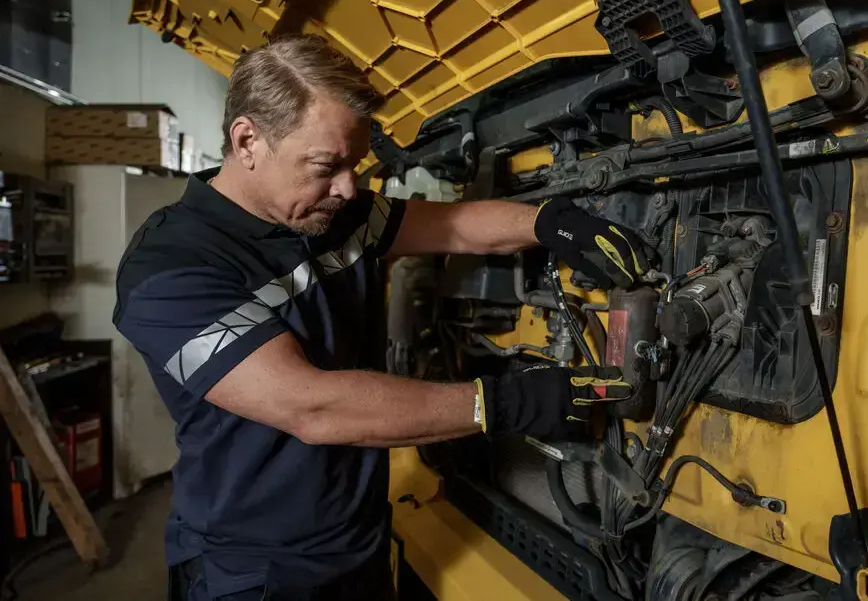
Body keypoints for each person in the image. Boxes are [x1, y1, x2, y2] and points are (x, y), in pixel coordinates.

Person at [113, 34, 650, 601]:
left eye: (356, 164)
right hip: (254, 570)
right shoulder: (169, 270)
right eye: (326, 165)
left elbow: (452, 226)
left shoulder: (337, 214)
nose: (348, 187)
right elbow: (313, 406)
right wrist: (506, 401)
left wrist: (551, 223)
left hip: (360, 535)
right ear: (247, 140)